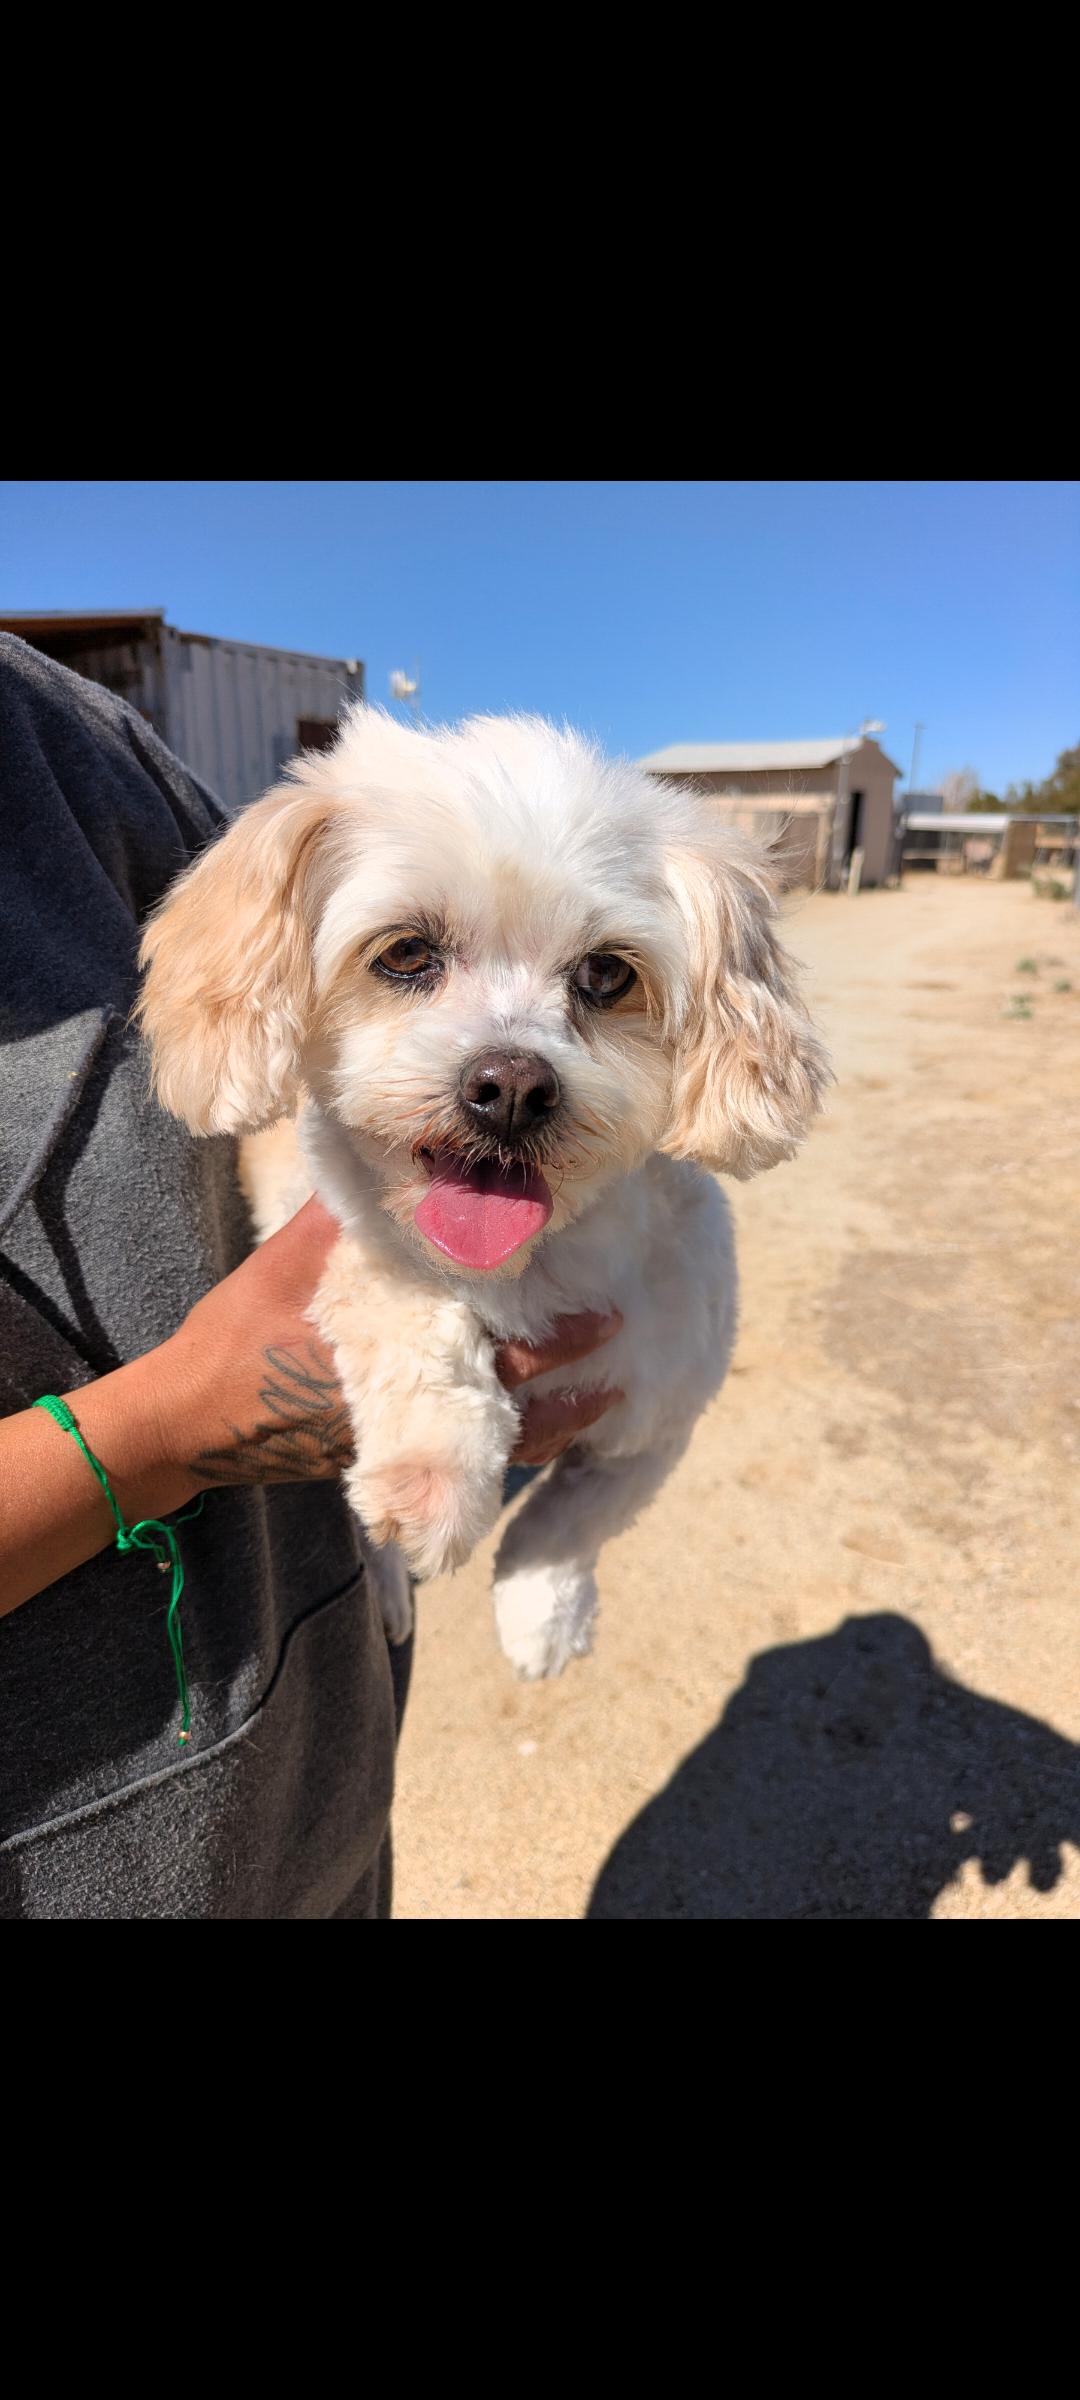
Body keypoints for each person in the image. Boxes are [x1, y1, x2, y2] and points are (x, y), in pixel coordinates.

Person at [0, 636, 622, 1920]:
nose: (511, 1064)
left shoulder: (71, 743)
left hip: (320, 1756)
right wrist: (169, 1426)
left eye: (594, 981)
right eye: (413, 957)